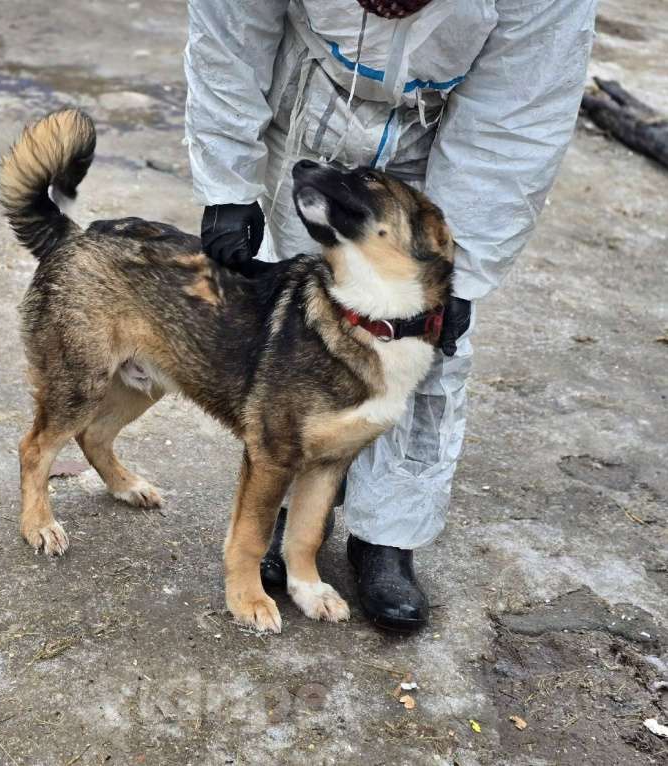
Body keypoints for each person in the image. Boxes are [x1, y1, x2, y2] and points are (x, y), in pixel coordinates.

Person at [184, 0, 597, 631]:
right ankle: (282, 521)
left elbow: (516, 119)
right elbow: (229, 34)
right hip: (301, 105)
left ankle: (387, 531)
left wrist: (464, 272)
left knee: (418, 356)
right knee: (290, 344)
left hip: (435, 143)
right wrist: (227, 184)